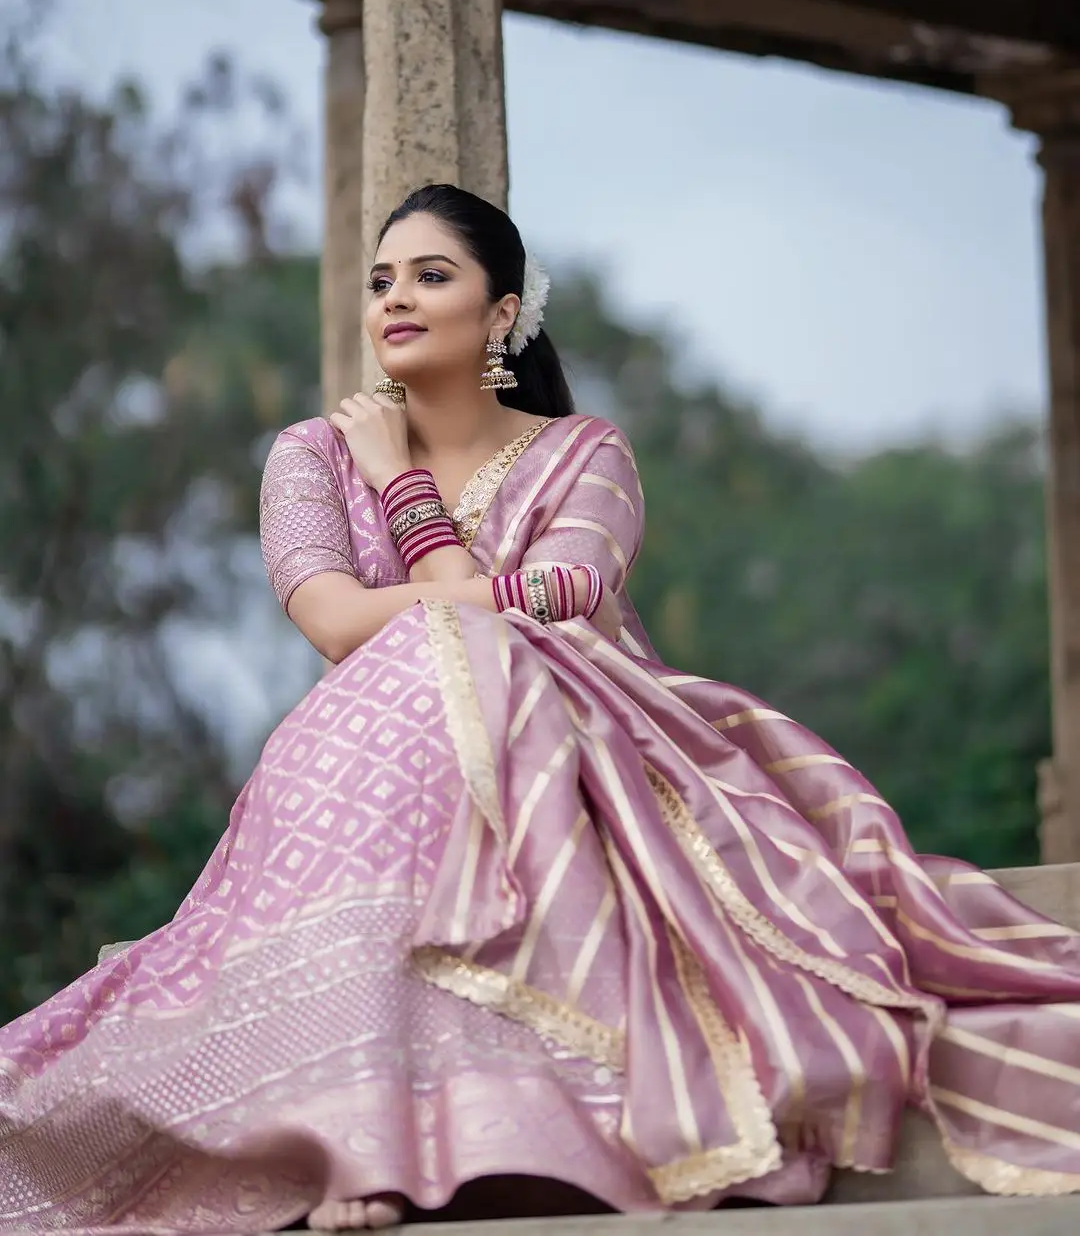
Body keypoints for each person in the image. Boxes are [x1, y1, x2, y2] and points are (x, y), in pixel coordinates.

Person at [2, 184, 1080, 1234]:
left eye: (432, 275)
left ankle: (434, 1124)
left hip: (572, 734)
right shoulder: (311, 454)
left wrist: (405, 494)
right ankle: (345, 1120)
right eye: (381, 280)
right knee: (422, 658)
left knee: (449, 648)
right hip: (382, 755)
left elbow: (559, 599)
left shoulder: (584, 451)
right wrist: (422, 555)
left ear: (503, 311)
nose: (395, 299)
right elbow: (333, 624)